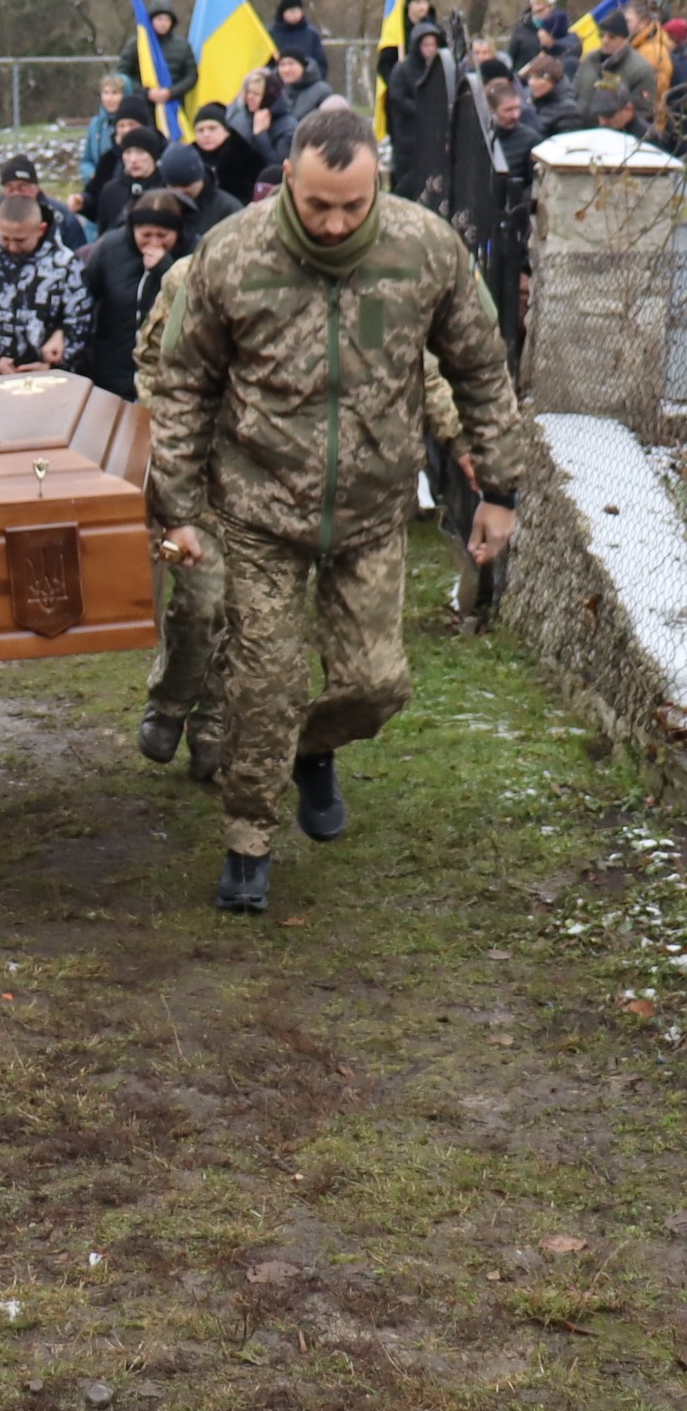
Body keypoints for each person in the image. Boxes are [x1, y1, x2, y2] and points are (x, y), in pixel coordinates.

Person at [153, 104, 526, 916]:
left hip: (370, 509)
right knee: (265, 682)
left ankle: (312, 748)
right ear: (288, 178)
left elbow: (480, 369)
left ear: (375, 185)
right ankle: (247, 840)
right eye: (317, 204)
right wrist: (176, 506)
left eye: (352, 206)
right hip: (256, 507)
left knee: (375, 685)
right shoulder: (231, 254)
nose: (332, 223)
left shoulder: (424, 250)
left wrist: (499, 491)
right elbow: (182, 385)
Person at [132, 251, 223, 783]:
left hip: (281, 479)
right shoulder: (192, 275)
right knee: (202, 603)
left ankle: (213, 727)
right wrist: (170, 452)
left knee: (252, 614)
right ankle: (170, 701)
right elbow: (151, 365)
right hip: (201, 472)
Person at [0, 194, 92, 387]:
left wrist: (56, 357)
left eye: (20, 240)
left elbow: (80, 320)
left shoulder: (66, 264)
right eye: (5, 238)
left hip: (50, 379)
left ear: (41, 229)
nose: (12, 246)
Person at [80, 190, 191, 400]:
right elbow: (84, 296)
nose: (154, 242)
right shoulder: (109, 248)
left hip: (168, 374)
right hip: (113, 370)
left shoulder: (193, 253)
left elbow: (193, 302)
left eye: (162, 235)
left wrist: (165, 268)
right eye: (146, 235)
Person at [387, 21, 451, 201]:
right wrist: (423, 112)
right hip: (409, 136)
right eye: (426, 45)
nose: (430, 49)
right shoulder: (402, 70)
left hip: (435, 136)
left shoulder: (440, 69)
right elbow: (397, 98)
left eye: (433, 45)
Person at [0, 151, 89, 249]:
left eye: (22, 187)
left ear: (36, 187)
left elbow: (79, 252)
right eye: (10, 188)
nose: (16, 193)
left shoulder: (62, 217)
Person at [117, 0, 198, 122]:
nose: (163, 23)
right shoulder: (136, 45)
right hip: (142, 107)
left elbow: (191, 76)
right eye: (159, 19)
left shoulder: (183, 46)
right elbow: (122, 75)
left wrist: (171, 92)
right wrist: (146, 92)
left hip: (175, 108)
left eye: (167, 19)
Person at [574, 11, 657, 124]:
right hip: (579, 127)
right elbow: (574, 93)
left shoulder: (640, 69)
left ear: (625, 39)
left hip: (615, 131)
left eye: (611, 37)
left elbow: (643, 113)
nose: (605, 40)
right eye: (601, 35)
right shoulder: (589, 60)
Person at [158, 140, 240, 239]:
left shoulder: (227, 209)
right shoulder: (155, 206)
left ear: (200, 179)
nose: (180, 192)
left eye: (186, 185)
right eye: (173, 186)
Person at [94, 124, 167, 233]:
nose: (133, 159)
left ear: (154, 156)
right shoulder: (110, 191)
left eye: (140, 152)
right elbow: (103, 233)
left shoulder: (167, 189)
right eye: (128, 152)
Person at [192, 102, 265, 205]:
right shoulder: (188, 158)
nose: (206, 134)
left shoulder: (247, 157)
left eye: (212, 128)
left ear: (226, 131)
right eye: (200, 130)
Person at [227, 66, 295, 165]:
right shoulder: (239, 117)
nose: (250, 97)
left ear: (268, 97)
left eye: (256, 94)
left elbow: (278, 165)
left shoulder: (287, 126)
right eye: (248, 92)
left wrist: (260, 135)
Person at [507, 0, 577, 73]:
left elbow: (570, 52)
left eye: (544, 4)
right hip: (522, 77)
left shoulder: (559, 30)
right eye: (537, 3)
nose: (539, 8)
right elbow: (510, 58)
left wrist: (552, 46)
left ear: (551, 7)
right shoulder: (521, 30)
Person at [78, 75, 130, 191]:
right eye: (106, 93)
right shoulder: (95, 124)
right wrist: (91, 173)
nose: (109, 98)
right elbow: (87, 159)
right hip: (98, 187)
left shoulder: (131, 125)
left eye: (114, 93)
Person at [486, 73, 542, 180]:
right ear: (492, 110)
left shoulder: (530, 139)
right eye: (508, 110)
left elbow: (534, 182)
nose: (515, 115)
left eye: (517, 108)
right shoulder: (477, 136)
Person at [269, 0, 329, 80]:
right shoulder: (271, 34)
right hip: (278, 83)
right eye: (291, 11)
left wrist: (313, 80)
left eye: (297, 11)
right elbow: (266, 63)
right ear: (283, 13)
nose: (295, 14)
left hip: (307, 83)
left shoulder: (311, 34)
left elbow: (321, 64)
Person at [629, 0, 674, 105]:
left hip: (647, 111)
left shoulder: (652, 52)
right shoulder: (639, 44)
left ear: (643, 22)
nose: (624, 25)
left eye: (628, 21)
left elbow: (653, 92)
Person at [524, 54, 583, 136]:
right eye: (530, 77)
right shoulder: (530, 100)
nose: (531, 82)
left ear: (552, 80)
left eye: (537, 78)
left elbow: (567, 139)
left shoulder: (568, 110)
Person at [275, 49, 335, 122]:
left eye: (291, 64)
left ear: (303, 67)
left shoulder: (321, 91)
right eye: (282, 65)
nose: (286, 70)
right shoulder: (276, 92)